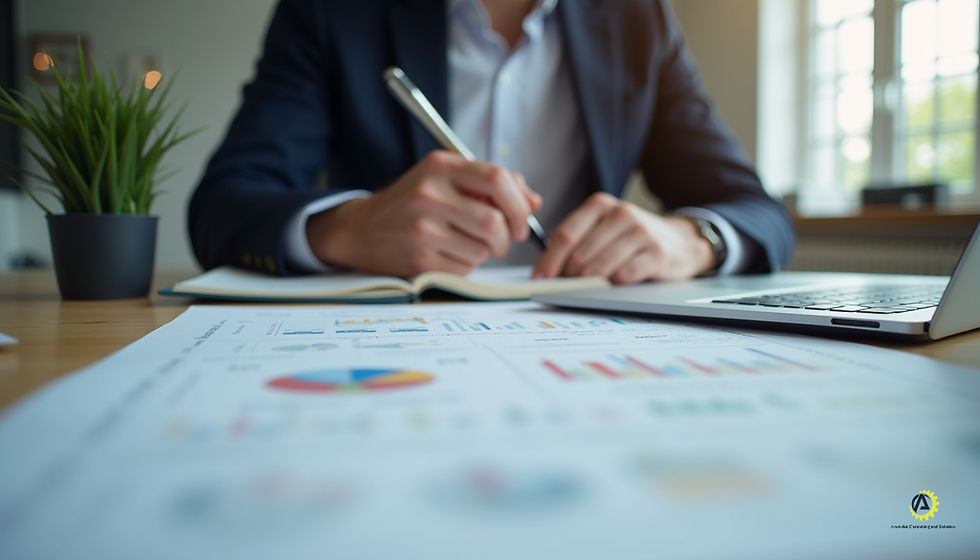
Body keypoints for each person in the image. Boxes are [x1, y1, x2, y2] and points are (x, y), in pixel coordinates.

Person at [189, 0, 795, 284]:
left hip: (585, 351)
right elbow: (222, 207)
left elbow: (756, 212)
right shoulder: (332, 12)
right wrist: (345, 228)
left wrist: (693, 238)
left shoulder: (637, 20)